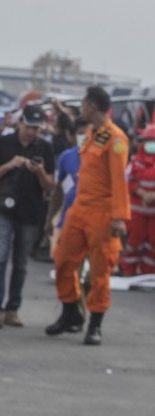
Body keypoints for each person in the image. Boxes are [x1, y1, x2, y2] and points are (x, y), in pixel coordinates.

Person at [46, 86, 130, 345]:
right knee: (62, 261)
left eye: (83, 104)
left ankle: (95, 325)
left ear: (93, 107)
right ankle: (71, 312)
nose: (81, 109)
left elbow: (119, 181)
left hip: (103, 215)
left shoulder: (116, 139)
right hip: (79, 210)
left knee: (99, 272)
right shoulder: (92, 134)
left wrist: (119, 218)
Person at [0, 104, 54, 328]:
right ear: (21, 123)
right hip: (4, 209)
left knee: (21, 264)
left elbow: (50, 186)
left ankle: (13, 309)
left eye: (36, 128)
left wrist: (39, 171)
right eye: (29, 126)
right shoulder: (4, 142)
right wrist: (10, 165)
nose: (31, 131)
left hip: (31, 212)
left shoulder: (45, 148)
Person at [45, 118, 90, 251]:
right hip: (69, 220)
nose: (85, 137)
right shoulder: (67, 157)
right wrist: (50, 220)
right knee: (65, 265)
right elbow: (58, 191)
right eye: (81, 133)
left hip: (95, 221)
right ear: (72, 136)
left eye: (88, 133)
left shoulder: (103, 157)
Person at [119, 124, 155, 275]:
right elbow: (128, 181)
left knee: (153, 244)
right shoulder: (135, 161)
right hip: (137, 213)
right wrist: (142, 193)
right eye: (149, 141)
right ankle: (128, 270)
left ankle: (149, 273)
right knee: (134, 241)